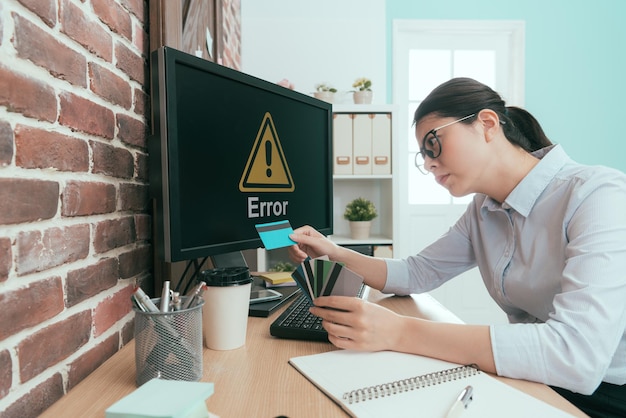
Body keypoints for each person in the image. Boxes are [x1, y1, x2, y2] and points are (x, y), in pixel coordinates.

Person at [288, 78, 626, 418]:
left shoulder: (598, 196)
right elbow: (417, 272)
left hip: (606, 393)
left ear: (487, 124)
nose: (430, 163)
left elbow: (577, 356)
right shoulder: (483, 210)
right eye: (423, 154)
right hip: (535, 377)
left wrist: (399, 331)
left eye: (433, 142)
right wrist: (334, 251)